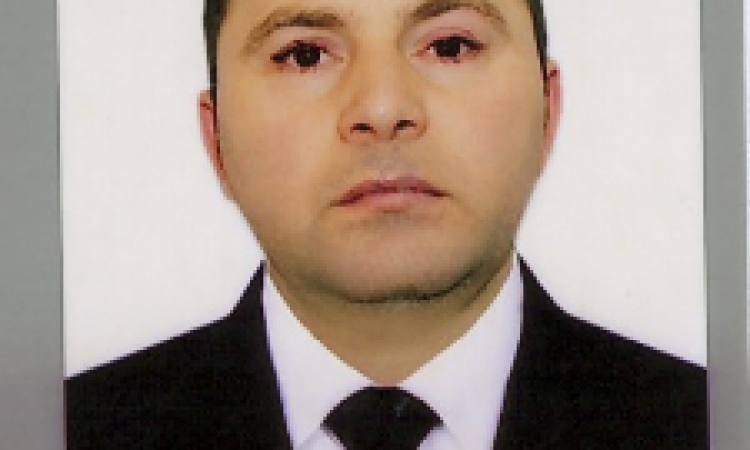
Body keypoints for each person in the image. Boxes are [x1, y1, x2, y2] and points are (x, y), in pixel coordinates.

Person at [65, 0, 707, 448]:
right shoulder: (63, 432)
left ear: (548, 108)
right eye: (304, 55)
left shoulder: (712, 425)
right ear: (216, 140)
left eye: (451, 46)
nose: (381, 107)